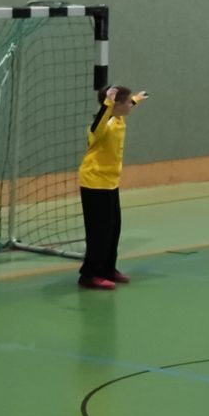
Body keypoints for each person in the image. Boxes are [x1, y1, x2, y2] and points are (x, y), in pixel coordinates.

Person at [77, 85, 146, 290]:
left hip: (109, 183)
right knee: (99, 232)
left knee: (113, 229)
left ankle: (107, 269)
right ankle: (90, 275)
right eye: (127, 102)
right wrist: (108, 102)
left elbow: (125, 104)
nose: (130, 105)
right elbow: (98, 125)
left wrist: (136, 99)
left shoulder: (117, 118)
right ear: (114, 105)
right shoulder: (102, 124)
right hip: (94, 183)